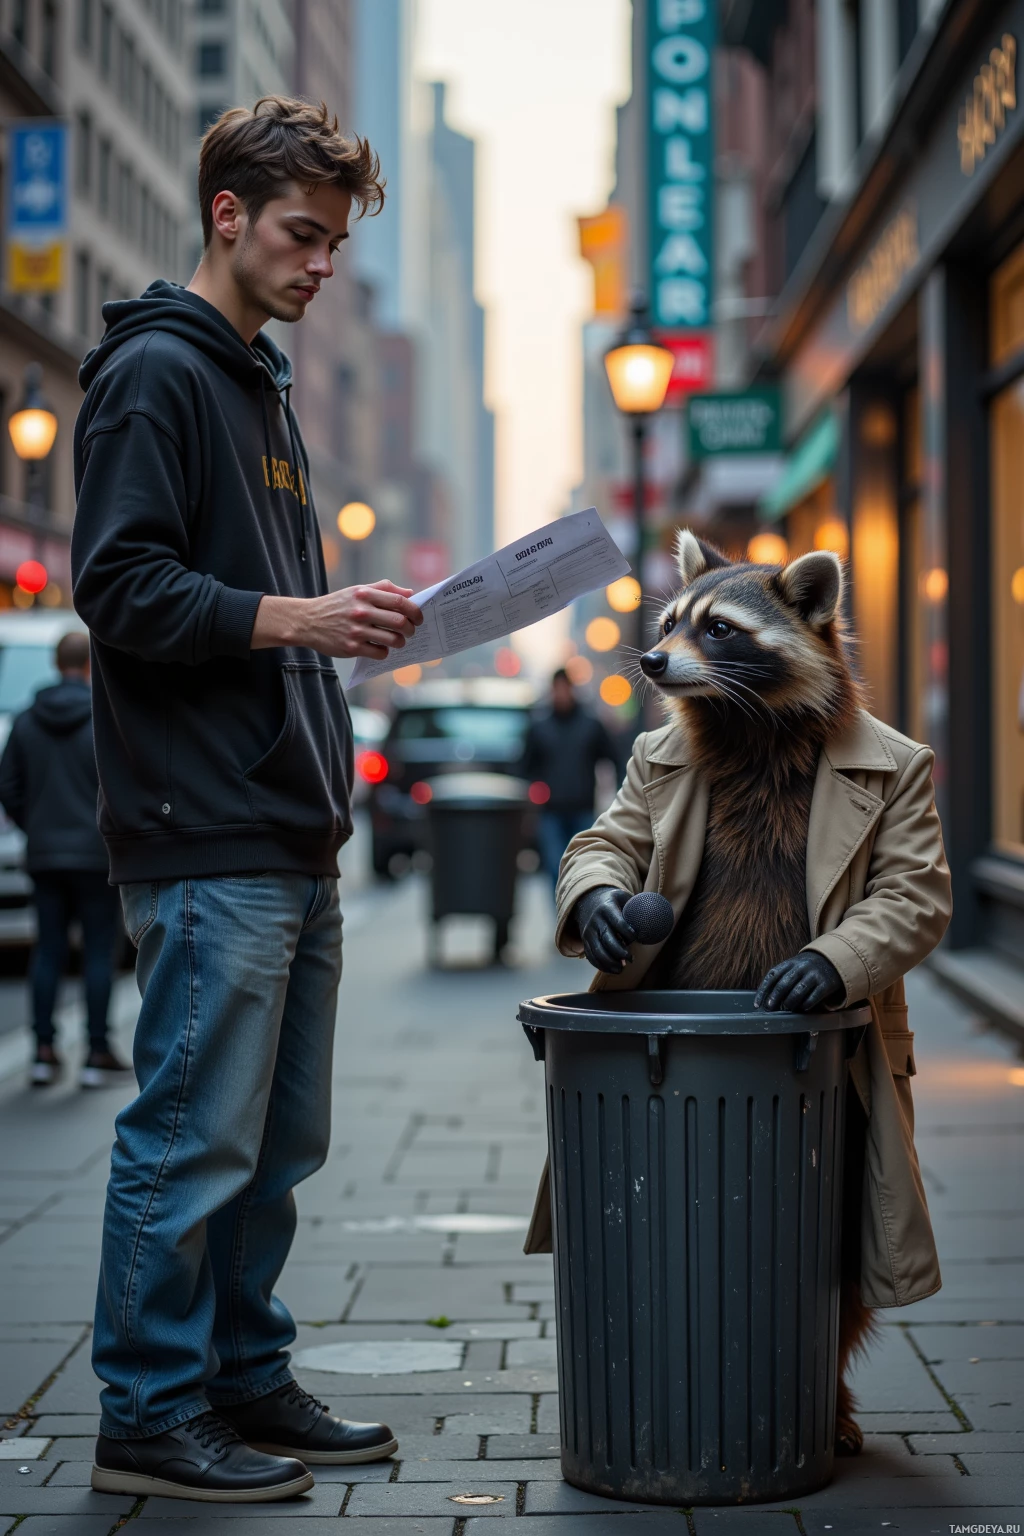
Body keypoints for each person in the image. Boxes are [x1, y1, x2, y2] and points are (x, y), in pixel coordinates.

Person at [72, 98, 424, 1504]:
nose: (321, 263)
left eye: (335, 242)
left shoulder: (257, 380)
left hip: (287, 826)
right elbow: (119, 590)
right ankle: (149, 1411)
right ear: (226, 213)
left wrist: (355, 624)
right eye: (301, 234)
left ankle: (241, 1376)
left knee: (278, 1144)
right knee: (192, 1133)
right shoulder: (158, 373)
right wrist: (299, 619)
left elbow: (258, 605)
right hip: (204, 830)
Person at [0, 630, 128, 1089]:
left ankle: (43, 1052)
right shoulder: (103, 717)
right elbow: (122, 785)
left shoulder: (26, 721)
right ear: (90, 665)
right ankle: (96, 1051)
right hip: (96, 855)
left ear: (56, 664)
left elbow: (8, 785)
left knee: (48, 951)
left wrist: (34, 826)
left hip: (45, 854)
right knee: (98, 951)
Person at [520, 668, 619, 886]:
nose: (561, 694)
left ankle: (575, 915)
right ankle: (558, 916)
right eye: (557, 689)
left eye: (565, 688)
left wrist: (617, 794)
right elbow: (525, 766)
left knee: (581, 868)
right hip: (550, 811)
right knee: (555, 867)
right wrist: (534, 791)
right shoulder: (539, 727)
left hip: (582, 808)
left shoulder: (591, 724)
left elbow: (613, 758)